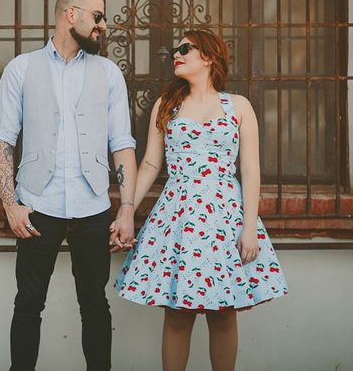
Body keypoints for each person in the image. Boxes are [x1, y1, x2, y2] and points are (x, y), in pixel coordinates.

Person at [113, 29, 288, 371]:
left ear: (208, 56)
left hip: (225, 216)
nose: (175, 54)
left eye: (184, 48)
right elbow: (150, 163)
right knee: (178, 314)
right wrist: (126, 209)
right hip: (178, 215)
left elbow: (250, 171)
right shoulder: (167, 105)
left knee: (223, 313)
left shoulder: (238, 106)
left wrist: (249, 228)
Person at [0, 0, 138, 371]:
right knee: (28, 305)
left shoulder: (108, 73)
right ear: (71, 15)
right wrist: (11, 205)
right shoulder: (21, 68)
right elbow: (3, 141)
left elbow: (122, 144)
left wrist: (126, 211)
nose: (103, 25)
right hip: (38, 205)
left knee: (94, 304)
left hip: (92, 207)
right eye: (98, 16)